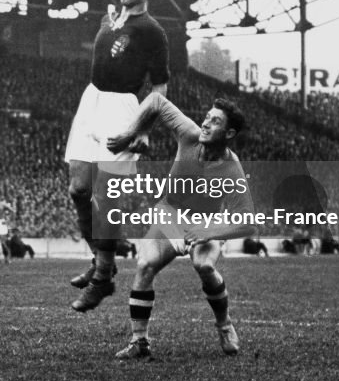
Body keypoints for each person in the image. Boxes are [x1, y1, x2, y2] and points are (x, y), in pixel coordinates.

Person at [107, 93, 255, 360]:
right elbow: (154, 100)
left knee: (205, 265)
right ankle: (139, 342)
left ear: (229, 132)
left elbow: (247, 222)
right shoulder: (189, 133)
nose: (206, 124)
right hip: (169, 212)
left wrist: (206, 232)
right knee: (145, 265)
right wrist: (132, 133)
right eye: (207, 118)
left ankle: (224, 324)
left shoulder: (232, 169)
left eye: (216, 122)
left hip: (207, 222)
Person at [66, 0, 170, 312]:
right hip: (90, 99)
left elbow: (160, 84)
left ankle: (102, 278)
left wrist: (143, 128)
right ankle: (102, 263)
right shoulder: (107, 19)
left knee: (106, 197)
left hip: (123, 108)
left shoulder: (151, 30)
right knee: (78, 188)